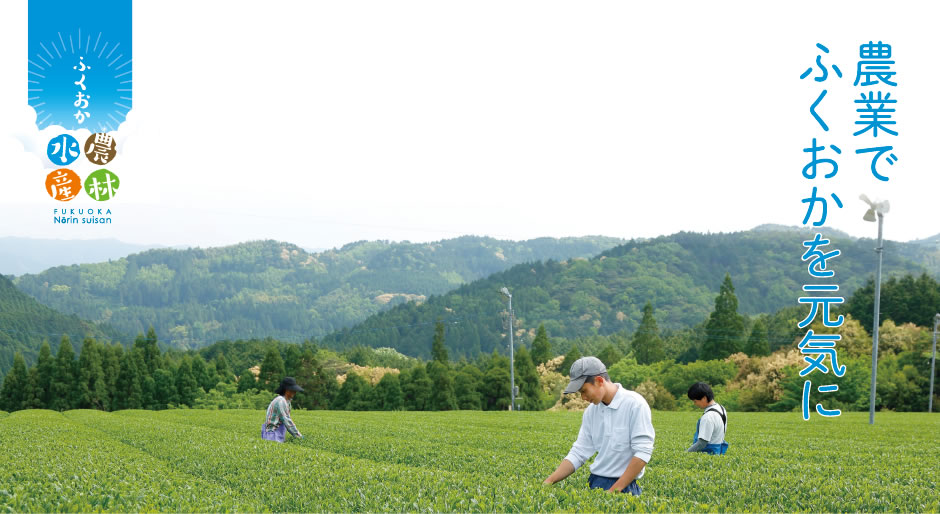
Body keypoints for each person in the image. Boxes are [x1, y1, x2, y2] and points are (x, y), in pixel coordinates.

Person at [543, 356, 655, 495]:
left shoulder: (635, 404)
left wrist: (614, 491)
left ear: (599, 381)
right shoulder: (591, 412)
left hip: (625, 487)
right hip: (595, 483)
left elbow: (643, 452)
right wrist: (548, 482)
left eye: (584, 391)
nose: (583, 398)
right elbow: (579, 452)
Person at [686, 381, 728, 455]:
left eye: (695, 401)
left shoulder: (708, 417)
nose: (695, 404)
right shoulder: (721, 408)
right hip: (718, 451)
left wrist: (686, 453)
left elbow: (702, 443)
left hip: (708, 454)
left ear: (704, 398)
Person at [261, 376, 304, 442]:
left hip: (277, 433)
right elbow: (286, 420)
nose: (295, 392)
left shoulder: (287, 401)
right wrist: (298, 436)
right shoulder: (280, 401)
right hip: (272, 434)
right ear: (287, 390)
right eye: (293, 390)